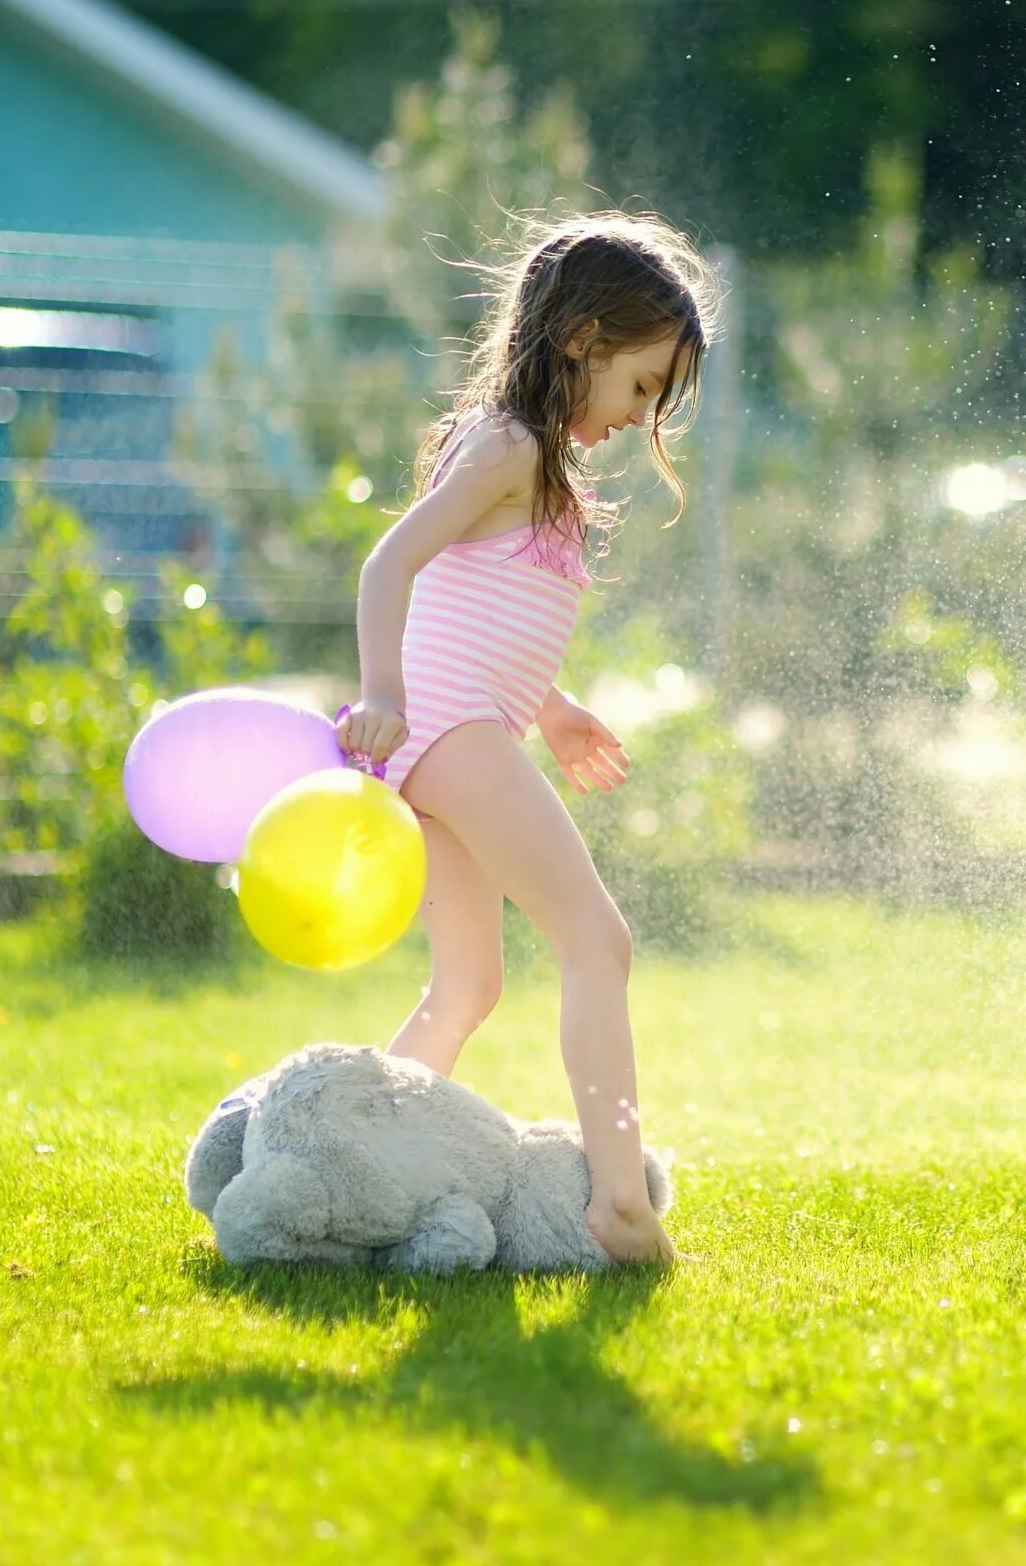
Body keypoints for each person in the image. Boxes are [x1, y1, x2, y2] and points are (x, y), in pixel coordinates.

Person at [336, 213, 713, 1267]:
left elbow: (484, 611)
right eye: (641, 386)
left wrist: (554, 708)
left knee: (468, 987)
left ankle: (361, 1164)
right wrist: (382, 695)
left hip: (467, 732)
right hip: (448, 734)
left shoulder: (536, 463)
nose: (642, 416)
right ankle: (618, 1202)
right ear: (581, 339)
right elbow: (388, 567)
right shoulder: (507, 446)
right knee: (598, 941)